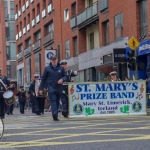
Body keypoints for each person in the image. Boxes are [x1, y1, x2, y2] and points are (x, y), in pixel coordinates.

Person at [39, 55, 67, 121]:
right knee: (53, 100)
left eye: (55, 59)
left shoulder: (61, 68)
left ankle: (62, 111)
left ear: (57, 60)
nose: (54, 61)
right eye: (52, 59)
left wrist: (62, 79)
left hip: (59, 87)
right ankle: (54, 114)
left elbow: (65, 76)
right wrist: (41, 89)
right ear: (50, 60)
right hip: (51, 87)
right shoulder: (47, 68)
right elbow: (43, 79)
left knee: (59, 100)